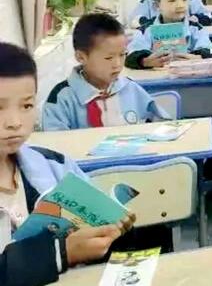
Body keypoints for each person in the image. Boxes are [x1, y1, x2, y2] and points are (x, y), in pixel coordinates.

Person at [0, 42, 135, 286]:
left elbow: (91, 235)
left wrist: (108, 232)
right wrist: (60, 253)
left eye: (27, 105)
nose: (14, 122)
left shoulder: (55, 166)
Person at [43, 14, 168, 130]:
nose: (118, 64)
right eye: (109, 58)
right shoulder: (62, 99)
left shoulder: (130, 88)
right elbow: (53, 143)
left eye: (122, 55)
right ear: (81, 57)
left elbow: (163, 125)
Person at [126, 0, 212, 69]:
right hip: (157, 76)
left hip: (188, 75)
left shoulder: (196, 29)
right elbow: (131, 54)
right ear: (157, 5)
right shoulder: (145, 30)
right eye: (172, 0)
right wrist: (145, 61)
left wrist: (199, 58)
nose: (180, 5)